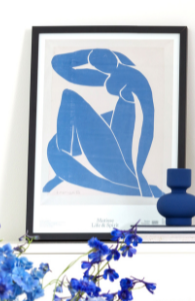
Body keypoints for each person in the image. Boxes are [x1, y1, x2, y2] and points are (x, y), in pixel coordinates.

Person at [43, 48, 164, 198]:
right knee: (107, 115)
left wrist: (139, 175)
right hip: (118, 158)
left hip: (117, 165)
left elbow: (146, 128)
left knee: (69, 97)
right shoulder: (123, 75)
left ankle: (65, 163)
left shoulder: (130, 80)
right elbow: (59, 65)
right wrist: (89, 56)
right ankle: (64, 163)